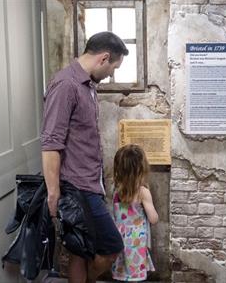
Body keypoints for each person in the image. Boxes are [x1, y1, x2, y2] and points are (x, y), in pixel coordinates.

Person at [41, 31, 129, 283]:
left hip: (89, 182)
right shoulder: (66, 85)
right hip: (77, 187)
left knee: (79, 251)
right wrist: (54, 192)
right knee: (112, 247)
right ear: (104, 58)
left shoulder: (87, 85)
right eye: (113, 67)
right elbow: (50, 143)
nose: (112, 74)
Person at [111, 144, 158, 281]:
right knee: (135, 276)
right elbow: (153, 219)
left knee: (121, 274)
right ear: (141, 168)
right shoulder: (143, 192)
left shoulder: (115, 190)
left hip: (118, 239)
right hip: (136, 242)